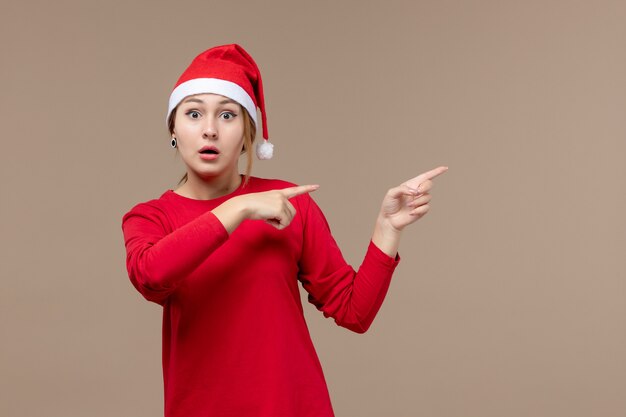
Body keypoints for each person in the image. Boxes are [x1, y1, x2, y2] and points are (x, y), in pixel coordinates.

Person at [121, 43, 448, 417]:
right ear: (174, 128)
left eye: (227, 116)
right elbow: (150, 276)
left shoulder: (289, 204)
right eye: (194, 113)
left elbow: (354, 313)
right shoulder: (150, 217)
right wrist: (239, 206)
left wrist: (388, 228)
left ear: (247, 131)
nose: (209, 130)